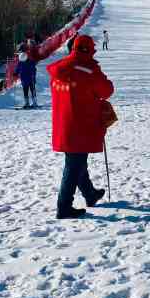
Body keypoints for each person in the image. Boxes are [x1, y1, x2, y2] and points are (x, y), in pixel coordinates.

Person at [48, 33, 114, 219]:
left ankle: (90, 193)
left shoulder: (60, 68)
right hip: (81, 124)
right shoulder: (88, 69)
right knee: (73, 165)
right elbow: (107, 90)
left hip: (63, 123)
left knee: (77, 161)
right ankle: (64, 206)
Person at [14, 43, 38, 109]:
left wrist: (33, 74)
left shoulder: (30, 62)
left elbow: (34, 69)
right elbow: (18, 68)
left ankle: (34, 102)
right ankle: (26, 102)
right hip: (24, 79)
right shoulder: (20, 62)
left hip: (30, 79)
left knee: (32, 90)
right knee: (25, 91)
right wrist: (15, 73)